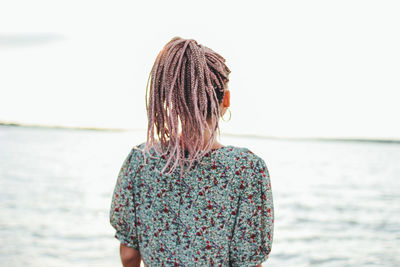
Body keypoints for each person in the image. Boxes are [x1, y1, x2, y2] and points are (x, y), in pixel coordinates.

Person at [109, 36, 274, 267]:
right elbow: (249, 262)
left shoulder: (140, 160)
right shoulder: (246, 168)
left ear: (171, 99)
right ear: (225, 99)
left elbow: (128, 254)